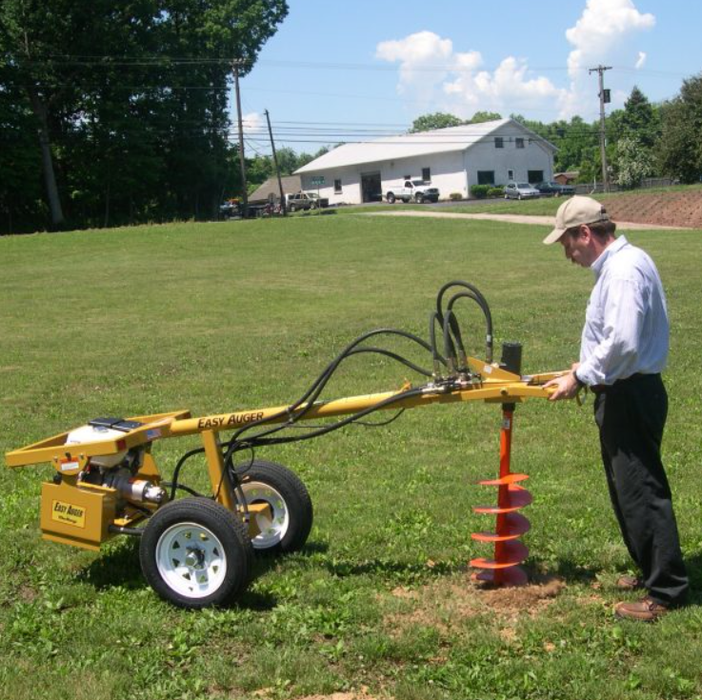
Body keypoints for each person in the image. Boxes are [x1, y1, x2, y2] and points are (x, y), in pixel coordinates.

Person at [543, 196, 688, 621]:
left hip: (630, 394)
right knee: (629, 489)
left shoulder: (622, 271)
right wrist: (585, 366)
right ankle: (651, 571)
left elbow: (623, 342)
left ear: (585, 233)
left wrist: (581, 377)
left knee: (641, 489)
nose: (566, 253)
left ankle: (667, 591)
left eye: (566, 242)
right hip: (625, 389)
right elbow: (616, 340)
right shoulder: (622, 265)